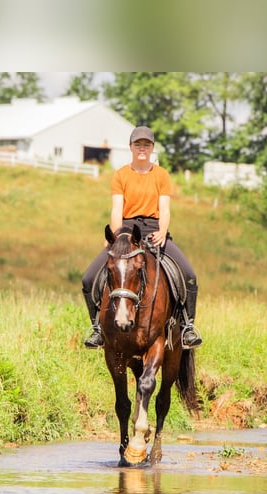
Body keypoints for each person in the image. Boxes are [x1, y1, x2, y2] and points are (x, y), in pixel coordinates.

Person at [81, 125, 202, 350]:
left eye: (146, 144)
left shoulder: (162, 175)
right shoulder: (121, 175)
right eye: (138, 144)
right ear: (131, 147)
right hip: (126, 230)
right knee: (89, 279)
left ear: (152, 148)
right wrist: (117, 238)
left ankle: (187, 326)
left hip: (154, 229)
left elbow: (164, 209)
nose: (142, 148)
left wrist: (163, 231)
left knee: (190, 276)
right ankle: (97, 328)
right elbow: (116, 210)